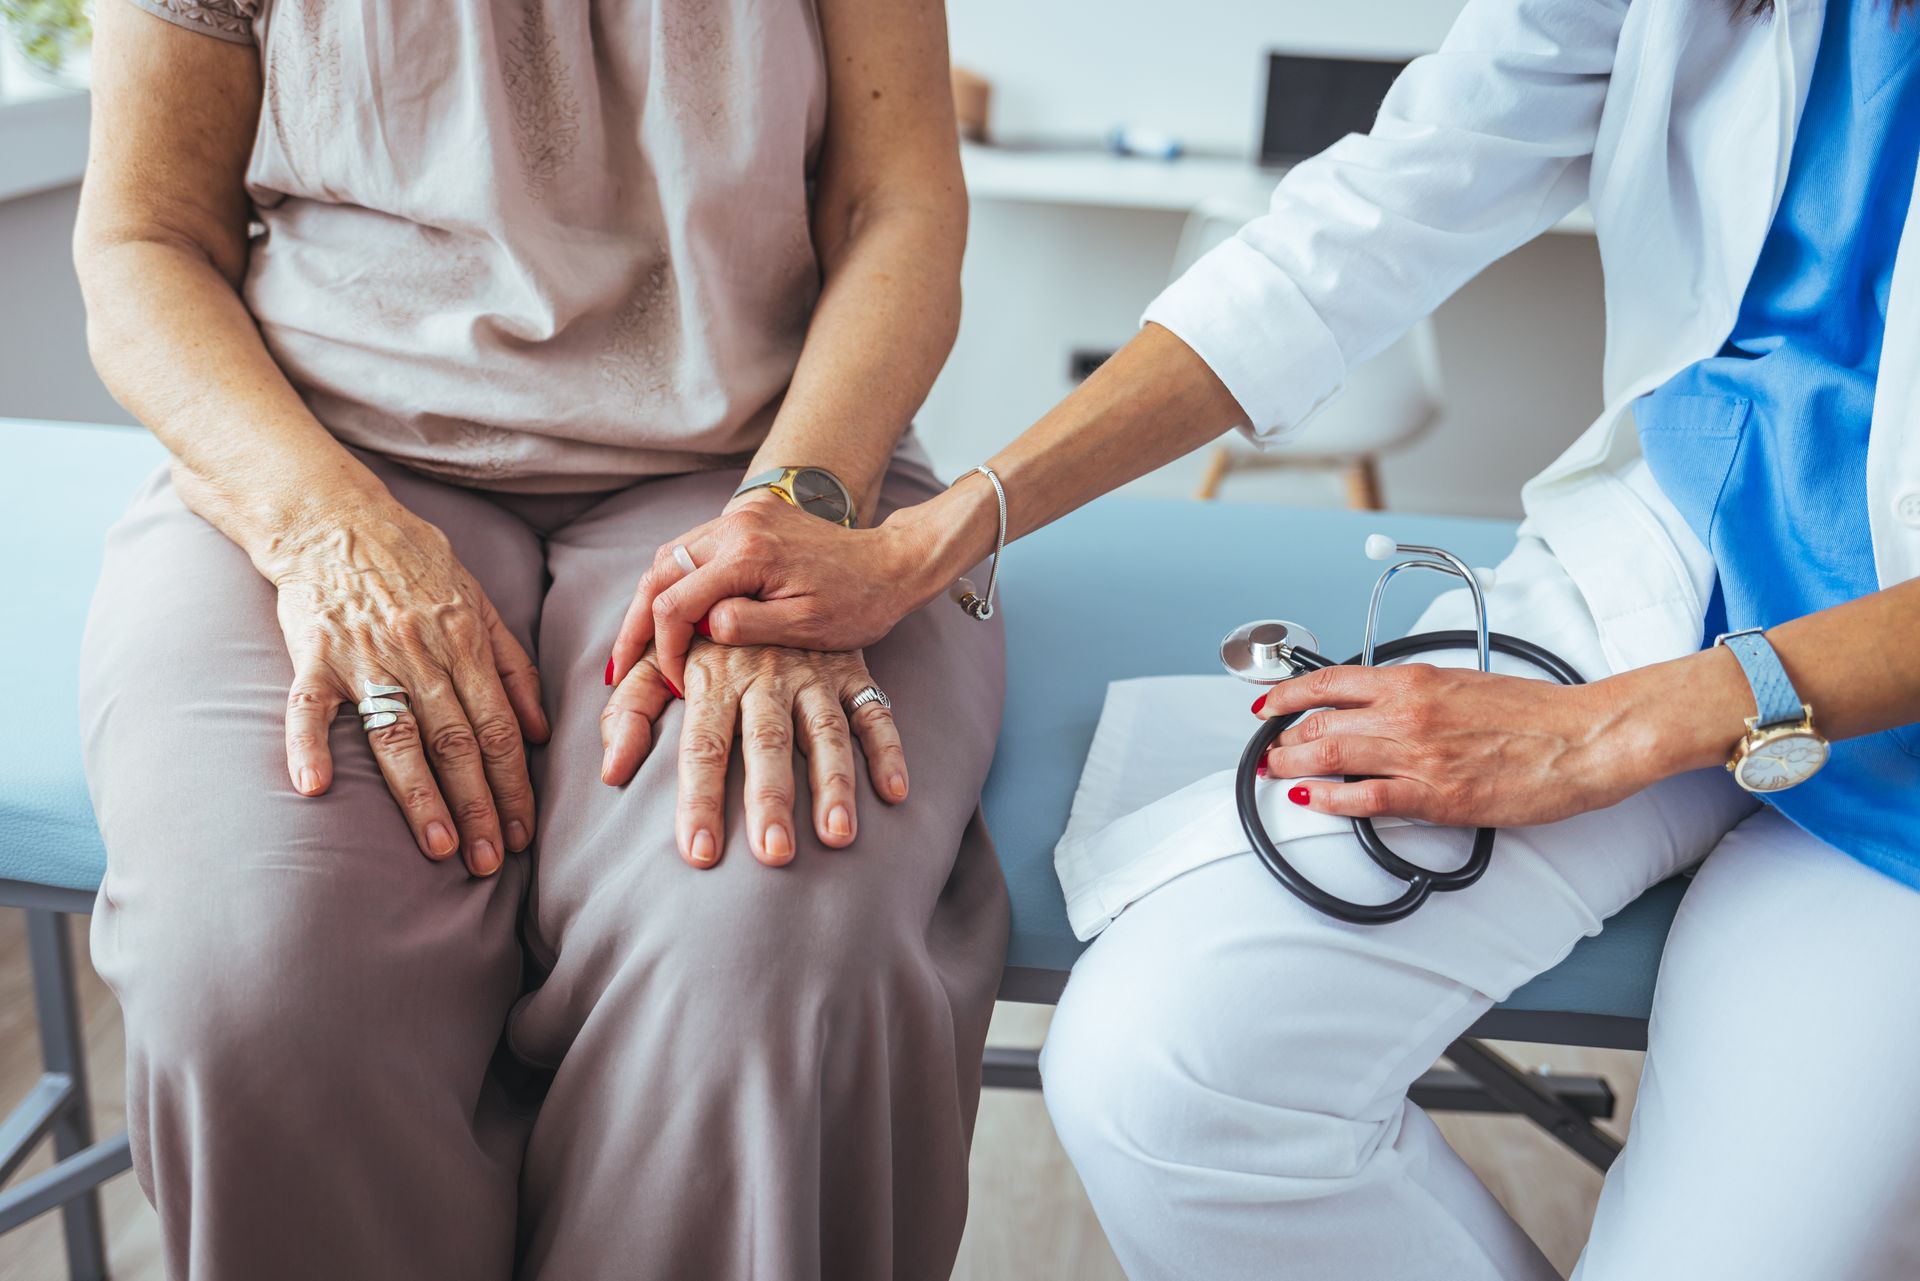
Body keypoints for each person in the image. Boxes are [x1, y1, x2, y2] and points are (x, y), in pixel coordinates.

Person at [623, 0, 1920, 1275]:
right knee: (1164, 1073)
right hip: (1660, 580)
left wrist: (1619, 728)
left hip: (1892, 769)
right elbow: (1360, 226)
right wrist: (945, 531)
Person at [71, 0, 1006, 1276]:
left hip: (766, 460)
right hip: (315, 467)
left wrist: (797, 514)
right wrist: (321, 530)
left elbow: (894, 206)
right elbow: (141, 237)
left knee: (773, 963)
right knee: (261, 974)